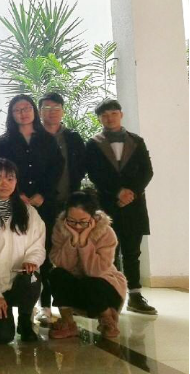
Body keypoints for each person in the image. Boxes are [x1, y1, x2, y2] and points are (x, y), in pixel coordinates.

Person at [0, 95, 64, 325]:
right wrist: (18, 194)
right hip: (15, 204)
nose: (23, 113)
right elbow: (0, 171)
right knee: (18, 251)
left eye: (26, 108)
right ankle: (25, 304)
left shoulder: (47, 139)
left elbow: (57, 168)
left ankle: (46, 305)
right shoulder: (4, 142)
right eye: (17, 110)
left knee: (44, 253)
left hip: (45, 204)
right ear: (11, 114)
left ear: (34, 110)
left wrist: (43, 194)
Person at [86, 99, 156, 315]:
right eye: (104, 115)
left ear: (121, 115)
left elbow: (147, 171)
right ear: (100, 119)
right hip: (108, 204)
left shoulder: (137, 141)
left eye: (113, 113)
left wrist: (131, 192)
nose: (110, 118)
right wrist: (118, 192)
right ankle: (112, 295)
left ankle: (135, 295)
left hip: (134, 204)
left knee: (133, 252)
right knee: (109, 252)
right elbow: (95, 173)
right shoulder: (94, 144)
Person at [0, 159, 46, 344]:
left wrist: (32, 260)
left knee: (31, 278)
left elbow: (38, 245)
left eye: (10, 178)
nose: (4, 184)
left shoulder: (29, 212)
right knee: (2, 337)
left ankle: (25, 320)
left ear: (16, 181)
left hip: (21, 280)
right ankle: (0, 317)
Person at [49, 191, 127, 340]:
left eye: (83, 222)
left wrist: (84, 241)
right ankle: (68, 323)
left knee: (90, 282)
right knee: (56, 274)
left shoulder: (106, 232)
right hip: (78, 286)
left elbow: (94, 271)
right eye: (72, 221)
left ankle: (108, 319)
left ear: (93, 217)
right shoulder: (60, 229)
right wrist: (73, 241)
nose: (77, 226)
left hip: (104, 287)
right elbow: (62, 265)